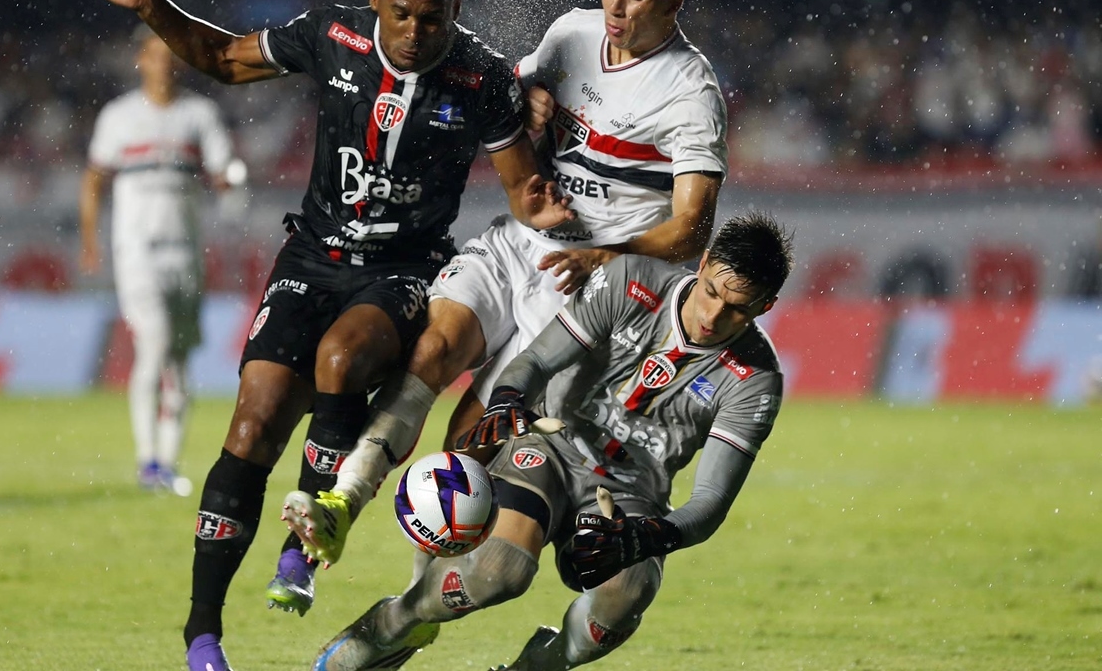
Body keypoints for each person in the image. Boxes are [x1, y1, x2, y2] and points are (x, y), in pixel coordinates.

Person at [70, 0, 573, 671]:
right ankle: (202, 635)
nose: (413, 31)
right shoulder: (330, 35)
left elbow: (521, 190)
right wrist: (147, 3)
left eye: (431, 19)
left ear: (453, 13)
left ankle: (303, 544)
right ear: (376, 0)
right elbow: (222, 59)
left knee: (343, 356)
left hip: (404, 268)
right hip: (311, 256)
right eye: (400, 13)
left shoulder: (482, 79)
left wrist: (553, 205)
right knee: (254, 420)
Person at [287, 0, 728, 579]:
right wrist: (532, 96)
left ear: (673, 1)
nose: (616, 6)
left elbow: (693, 227)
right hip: (521, 243)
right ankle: (341, 506)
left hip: (588, 289)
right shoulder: (572, 32)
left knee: (471, 433)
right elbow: (499, 100)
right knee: (430, 352)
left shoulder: (691, 91)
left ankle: (418, 600)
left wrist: (607, 258)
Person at [310, 211, 794, 671]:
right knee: (499, 571)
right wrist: (506, 400)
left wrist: (649, 536)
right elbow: (535, 362)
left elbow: (710, 501)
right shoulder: (631, 281)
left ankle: (544, 662)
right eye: (711, 292)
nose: (713, 315)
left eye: (737, 309)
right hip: (549, 448)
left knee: (627, 592)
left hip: (628, 494)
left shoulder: (756, 379)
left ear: (765, 307)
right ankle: (395, 622)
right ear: (704, 262)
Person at [79, 27, 238, 495]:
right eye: (154, 54)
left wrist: (232, 185)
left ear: (180, 63)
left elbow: (223, 174)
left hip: (185, 253)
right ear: (140, 61)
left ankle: (166, 465)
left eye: (170, 56)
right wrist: (90, 240)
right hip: (137, 252)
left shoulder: (199, 115)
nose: (163, 64)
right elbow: (93, 179)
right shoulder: (120, 116)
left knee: (181, 361)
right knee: (155, 344)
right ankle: (148, 461)